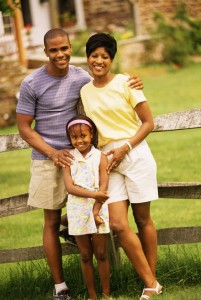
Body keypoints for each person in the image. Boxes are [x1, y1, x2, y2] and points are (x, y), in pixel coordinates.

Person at [16, 28, 143, 300]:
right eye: (53, 50)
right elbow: (25, 129)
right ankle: (61, 287)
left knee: (93, 207)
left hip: (82, 160)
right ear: (46, 52)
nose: (59, 54)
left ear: (70, 47)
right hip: (47, 158)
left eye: (64, 49)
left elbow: (103, 84)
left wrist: (132, 82)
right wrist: (53, 153)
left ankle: (79, 231)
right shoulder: (31, 83)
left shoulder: (80, 77)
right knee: (50, 221)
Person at [80, 33, 163, 299]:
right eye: (94, 56)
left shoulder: (127, 82)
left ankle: (150, 282)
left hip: (135, 153)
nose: (99, 61)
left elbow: (148, 123)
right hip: (108, 161)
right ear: (88, 58)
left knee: (142, 219)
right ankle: (151, 282)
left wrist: (125, 147)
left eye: (104, 56)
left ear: (112, 59)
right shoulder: (85, 90)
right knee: (116, 223)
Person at [63, 114, 110, 300]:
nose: (79, 140)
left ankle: (106, 294)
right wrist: (94, 194)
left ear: (91, 134)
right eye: (74, 137)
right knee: (84, 254)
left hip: (98, 209)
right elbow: (70, 187)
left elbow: (104, 187)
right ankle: (92, 296)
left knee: (101, 253)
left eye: (83, 136)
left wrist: (96, 209)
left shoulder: (101, 157)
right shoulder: (68, 159)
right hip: (77, 211)